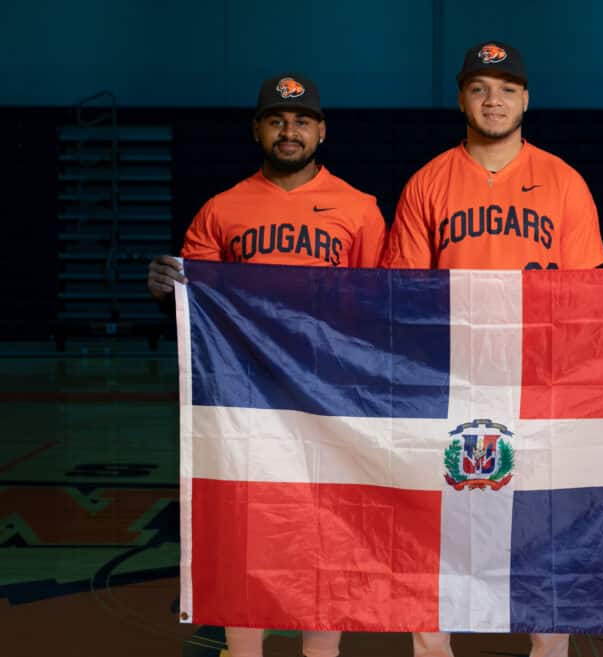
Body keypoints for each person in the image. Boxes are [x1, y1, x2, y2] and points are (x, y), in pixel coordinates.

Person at [147, 73, 387, 657]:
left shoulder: (359, 209)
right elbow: (196, 309)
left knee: (324, 531)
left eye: (302, 120)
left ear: (321, 130)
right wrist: (167, 292)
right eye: (277, 120)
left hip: (326, 396)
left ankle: (321, 652)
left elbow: (380, 311)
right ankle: (243, 650)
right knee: (245, 529)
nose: (289, 130)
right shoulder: (221, 209)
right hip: (244, 398)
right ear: (257, 129)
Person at [381, 41, 603, 657]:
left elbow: (587, 296)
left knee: (543, 521)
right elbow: (403, 293)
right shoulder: (428, 181)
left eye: (506, 89)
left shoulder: (563, 181)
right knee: (436, 521)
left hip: (538, 375)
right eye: (480, 88)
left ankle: (549, 647)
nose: (493, 100)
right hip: (450, 376)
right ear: (461, 98)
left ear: (526, 98)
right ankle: (433, 647)